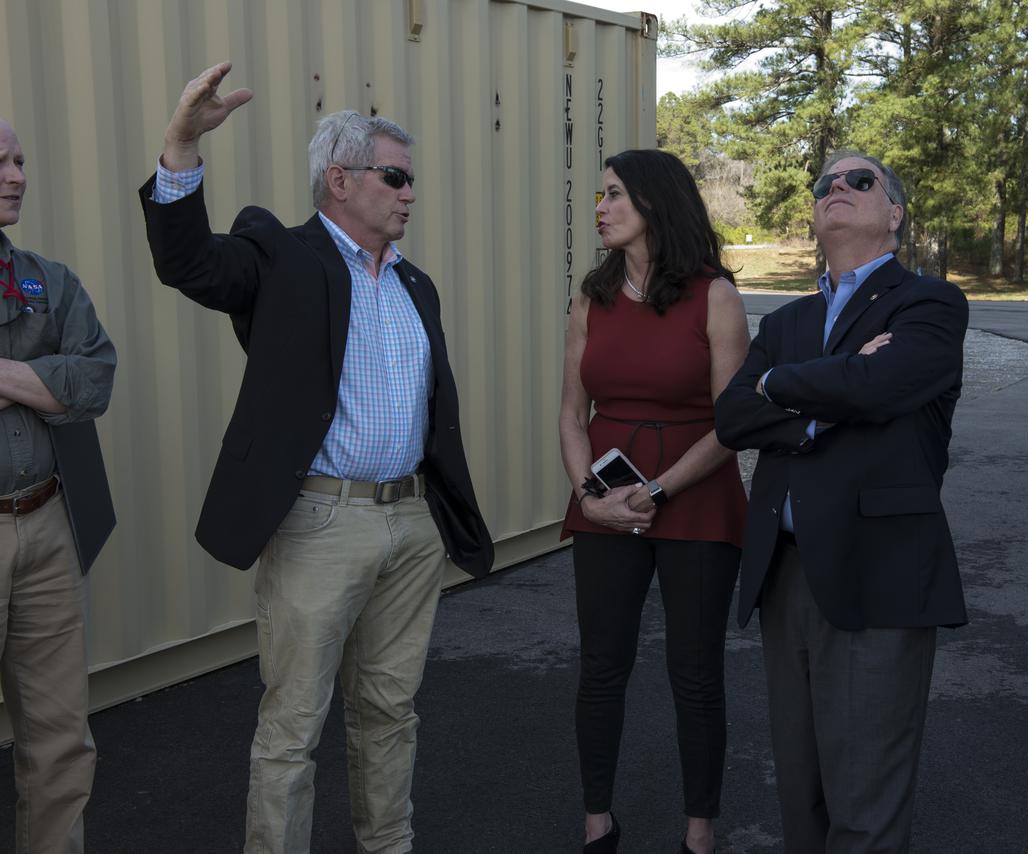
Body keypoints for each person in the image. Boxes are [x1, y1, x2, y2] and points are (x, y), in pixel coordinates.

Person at [137, 63, 494, 851]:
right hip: (320, 523)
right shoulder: (278, 254)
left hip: (410, 520)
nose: (409, 192)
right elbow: (190, 263)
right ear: (340, 179)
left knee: (391, 712)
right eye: (394, 176)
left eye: (411, 179)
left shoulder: (415, 285)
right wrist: (180, 148)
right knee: (294, 722)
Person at [715, 150, 968, 853]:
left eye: (861, 181)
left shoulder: (930, 303)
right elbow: (733, 418)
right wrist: (834, 388)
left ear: (894, 214)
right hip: (785, 571)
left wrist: (783, 387)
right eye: (826, 182)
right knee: (800, 790)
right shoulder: (789, 320)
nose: (839, 188)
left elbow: (887, 386)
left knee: (865, 800)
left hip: (877, 568)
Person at [559, 149, 749, 854]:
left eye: (613, 195)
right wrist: (591, 496)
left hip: (696, 501)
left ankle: (699, 831)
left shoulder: (716, 296)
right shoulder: (591, 298)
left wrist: (659, 490)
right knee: (602, 666)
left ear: (654, 203)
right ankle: (596, 821)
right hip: (605, 501)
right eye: (600, 195)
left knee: (694, 673)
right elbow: (571, 415)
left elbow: (734, 422)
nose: (601, 208)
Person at [0, 117, 117, 854]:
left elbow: (96, 377)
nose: (15, 175)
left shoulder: (48, 279)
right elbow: (65, 383)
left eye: (18, 160)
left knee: (59, 739)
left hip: (45, 524)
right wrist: (45, 381)